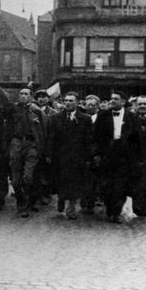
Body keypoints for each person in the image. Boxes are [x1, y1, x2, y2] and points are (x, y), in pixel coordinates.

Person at [0, 75, 47, 217]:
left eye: (26, 94)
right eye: (21, 94)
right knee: (15, 180)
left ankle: (26, 205)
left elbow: (44, 131)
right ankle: (20, 200)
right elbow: (3, 99)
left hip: (31, 145)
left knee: (28, 177)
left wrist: (43, 150)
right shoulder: (14, 109)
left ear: (31, 96)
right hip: (16, 144)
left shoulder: (37, 112)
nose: (23, 96)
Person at [47, 92, 93, 220]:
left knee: (74, 182)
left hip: (77, 157)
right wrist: (49, 154)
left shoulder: (85, 119)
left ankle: (71, 208)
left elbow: (88, 140)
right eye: (66, 100)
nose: (68, 103)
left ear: (77, 103)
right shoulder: (56, 118)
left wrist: (88, 157)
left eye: (71, 101)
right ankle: (61, 198)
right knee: (61, 180)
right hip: (60, 156)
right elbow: (51, 137)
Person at [92, 90, 135, 224]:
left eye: (116, 99)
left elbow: (136, 137)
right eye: (111, 99)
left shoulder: (131, 116)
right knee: (107, 183)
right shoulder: (103, 115)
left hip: (124, 154)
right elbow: (95, 136)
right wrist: (97, 154)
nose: (112, 101)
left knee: (121, 185)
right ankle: (110, 207)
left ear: (123, 101)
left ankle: (116, 212)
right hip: (107, 153)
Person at [81, 95, 102, 213]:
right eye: (88, 105)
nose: (90, 107)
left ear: (97, 106)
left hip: (95, 153)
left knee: (93, 179)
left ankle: (91, 202)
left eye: (93, 105)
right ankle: (84, 199)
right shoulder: (81, 118)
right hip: (81, 153)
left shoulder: (101, 119)